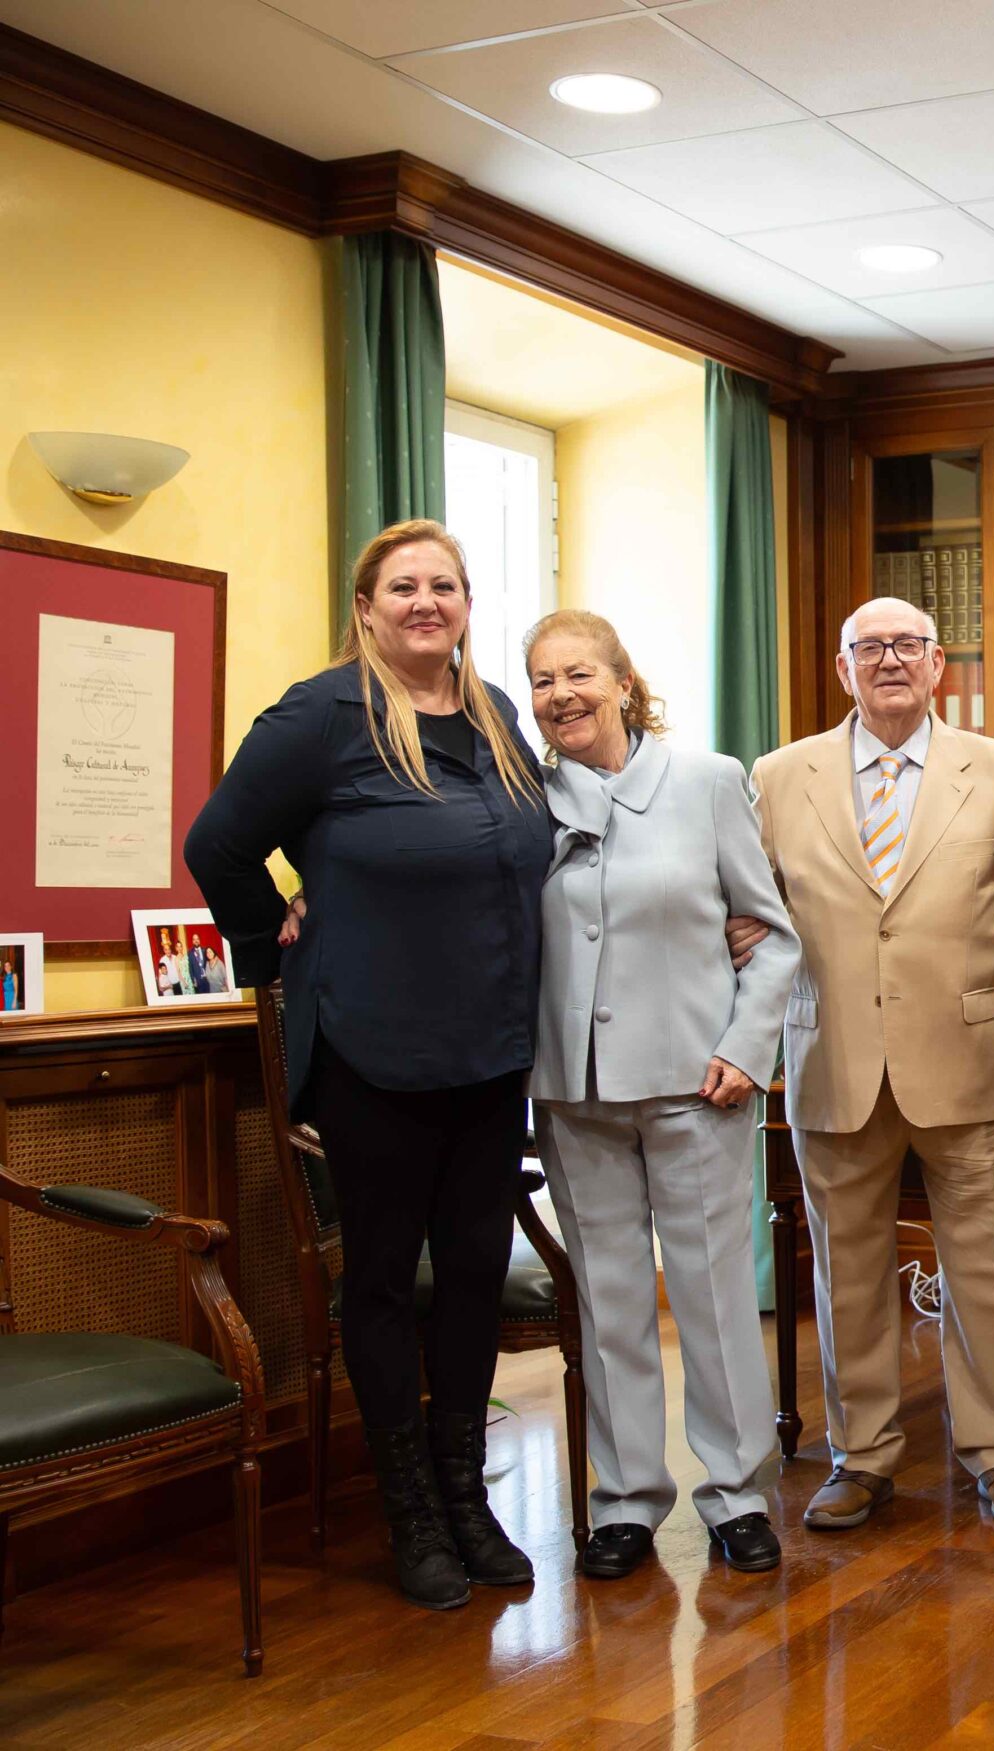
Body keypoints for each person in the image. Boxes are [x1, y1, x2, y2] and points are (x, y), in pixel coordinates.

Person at [184, 519, 552, 1611]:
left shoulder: (495, 717)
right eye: (403, 586)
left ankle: (466, 1496)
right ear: (366, 606)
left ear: (467, 603)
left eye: (445, 584)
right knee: (385, 1280)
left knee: (473, 1273)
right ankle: (411, 1512)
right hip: (374, 1053)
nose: (425, 601)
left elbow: (534, 856)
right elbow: (217, 844)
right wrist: (273, 941)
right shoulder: (320, 715)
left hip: (492, 1051)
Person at [752, 596, 994, 1533]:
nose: (889, 660)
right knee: (846, 1276)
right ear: (843, 669)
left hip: (971, 1063)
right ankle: (861, 1458)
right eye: (869, 648)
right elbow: (752, 919)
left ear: (938, 666)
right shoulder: (779, 777)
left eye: (908, 645)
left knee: (982, 1272)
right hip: (832, 1061)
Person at [522, 610, 801, 1581]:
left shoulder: (707, 781)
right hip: (575, 1090)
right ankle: (626, 1501)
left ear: (624, 683)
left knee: (714, 1300)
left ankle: (737, 1494)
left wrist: (746, 1048)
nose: (562, 694)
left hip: (698, 1082)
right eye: (543, 679)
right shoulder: (522, 799)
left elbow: (771, 936)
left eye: (580, 673)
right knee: (609, 1305)